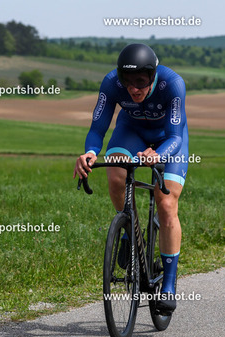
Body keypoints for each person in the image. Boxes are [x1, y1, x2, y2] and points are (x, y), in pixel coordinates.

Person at [73, 43, 188, 315]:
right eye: (128, 81)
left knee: (166, 203)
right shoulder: (111, 83)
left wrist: (157, 155)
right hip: (131, 132)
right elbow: (98, 127)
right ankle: (129, 230)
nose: (134, 89)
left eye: (141, 81)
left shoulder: (172, 84)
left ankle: (168, 285)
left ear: (153, 76)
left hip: (168, 140)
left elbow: (175, 136)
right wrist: (90, 152)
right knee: (115, 176)